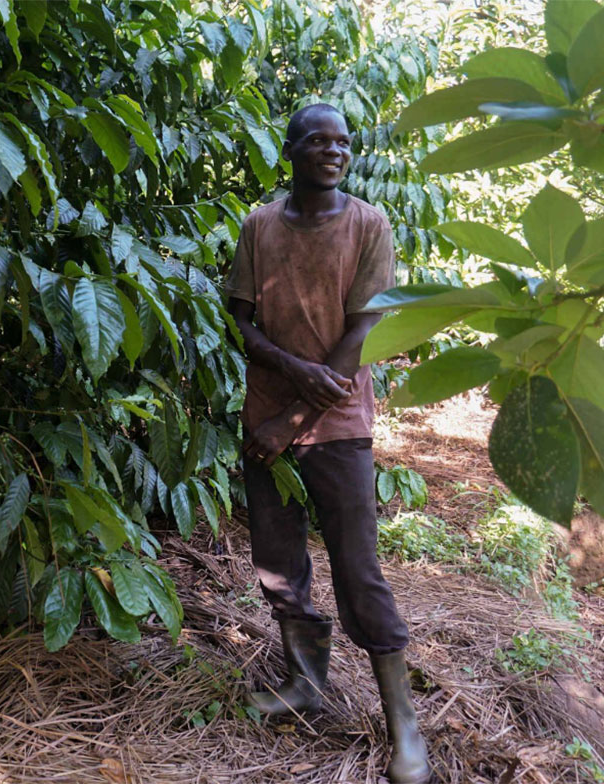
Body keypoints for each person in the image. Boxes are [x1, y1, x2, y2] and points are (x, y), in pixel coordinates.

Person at [224, 103, 431, 784]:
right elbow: (240, 320)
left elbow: (367, 330)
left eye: (343, 142)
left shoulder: (368, 223)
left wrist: (298, 411)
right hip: (264, 425)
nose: (334, 151)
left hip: (338, 429)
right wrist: (288, 377)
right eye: (319, 140)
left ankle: (403, 723)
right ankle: (305, 681)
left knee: (357, 569)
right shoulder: (260, 224)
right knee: (277, 560)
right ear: (290, 149)